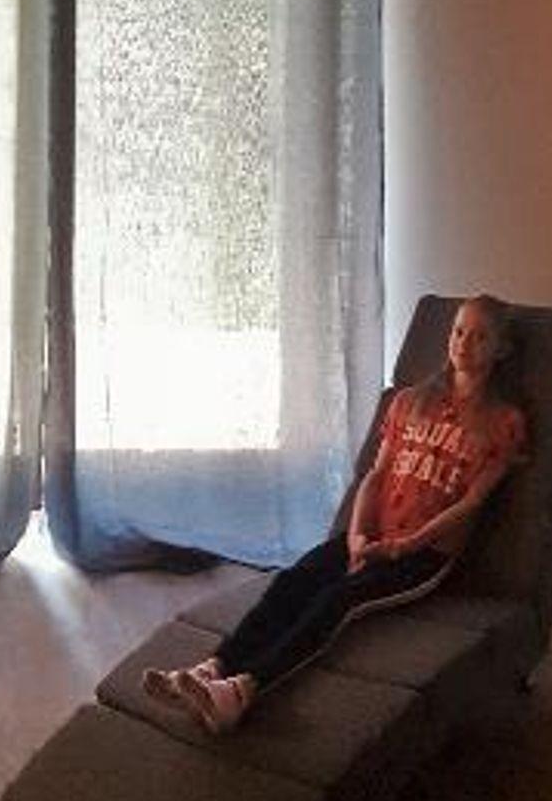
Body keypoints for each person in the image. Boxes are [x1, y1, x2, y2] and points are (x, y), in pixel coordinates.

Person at [143, 294, 530, 734]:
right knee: (293, 581)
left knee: (337, 599)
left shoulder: (504, 422)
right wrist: (356, 536)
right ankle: (212, 669)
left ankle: (242, 691)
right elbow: (375, 475)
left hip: (424, 556)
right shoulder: (409, 402)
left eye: (480, 337)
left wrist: (403, 546)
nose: (464, 344)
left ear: (501, 350)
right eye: (459, 331)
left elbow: (471, 504)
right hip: (369, 535)